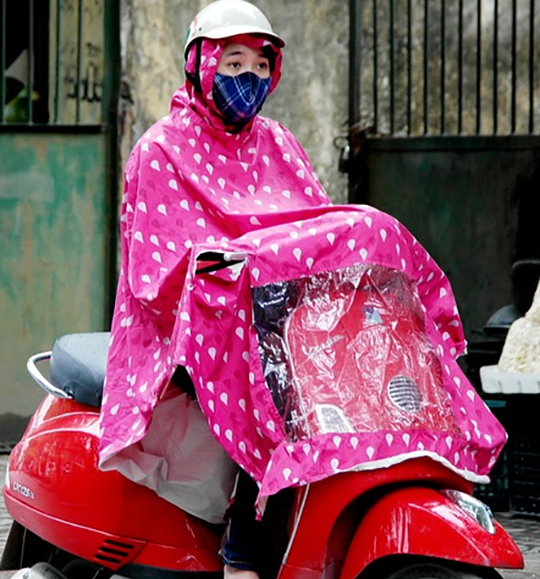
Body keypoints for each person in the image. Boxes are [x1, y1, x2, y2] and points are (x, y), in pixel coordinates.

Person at [99, 1, 332, 578]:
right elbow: (153, 283)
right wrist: (227, 283)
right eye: (233, 63)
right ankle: (243, 555)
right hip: (185, 334)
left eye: (259, 65)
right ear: (201, 64)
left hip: (271, 324)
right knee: (271, 384)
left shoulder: (278, 144)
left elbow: (320, 225)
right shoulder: (160, 150)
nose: (247, 79)